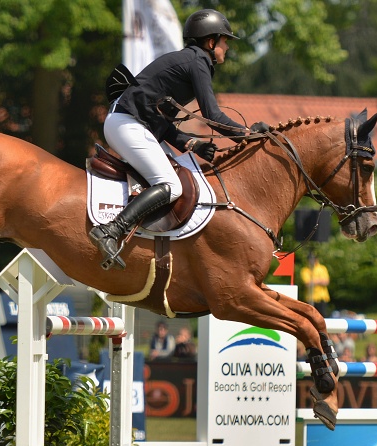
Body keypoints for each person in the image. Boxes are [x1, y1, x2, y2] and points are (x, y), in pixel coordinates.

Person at [90, 9, 269, 270]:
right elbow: (212, 114)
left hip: (132, 122)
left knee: (182, 177)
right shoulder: (198, 62)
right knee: (171, 185)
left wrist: (190, 143)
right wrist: (248, 135)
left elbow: (160, 123)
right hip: (127, 123)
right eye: (224, 41)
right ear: (210, 42)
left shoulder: (190, 61)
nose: (227, 47)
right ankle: (111, 230)